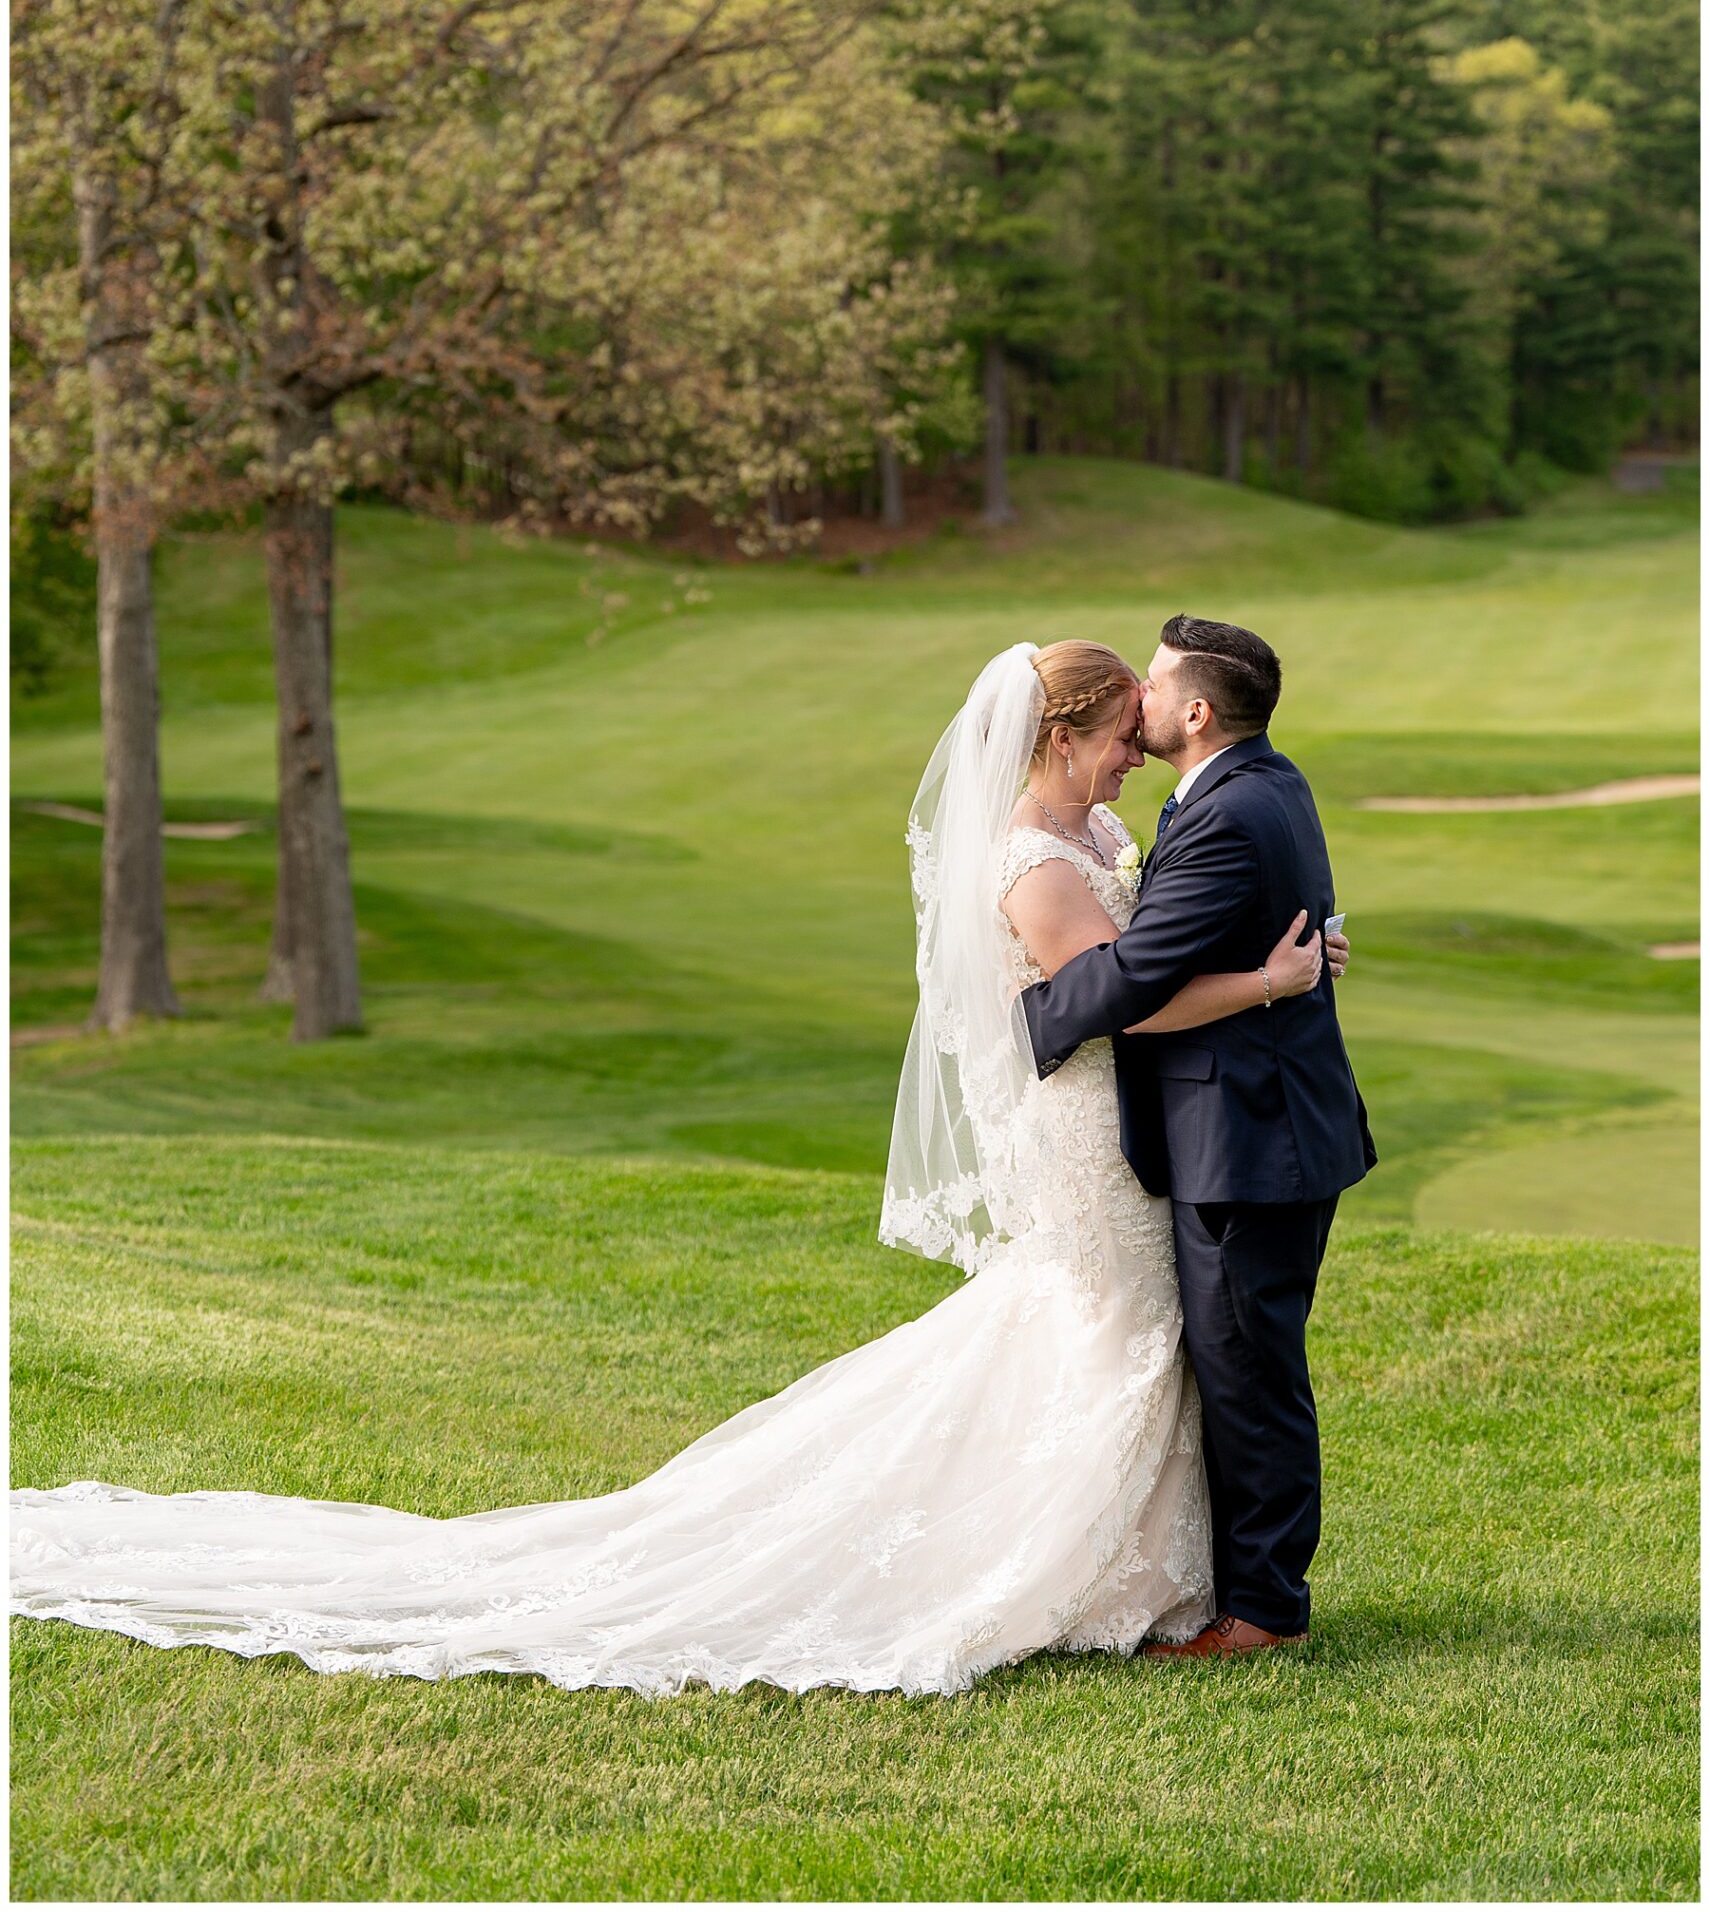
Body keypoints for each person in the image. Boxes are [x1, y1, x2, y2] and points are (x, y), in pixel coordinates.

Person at [10, 639, 1344, 1698]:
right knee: (1101, 1320)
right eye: (1118, 734)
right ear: (1060, 735)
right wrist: (1268, 982)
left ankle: (1168, 1577)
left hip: (1119, 1130)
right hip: (1080, 1132)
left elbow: (1149, 955)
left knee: (1139, 1329)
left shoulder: (1105, 837)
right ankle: (1081, 1572)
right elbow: (1110, 996)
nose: (1132, 754)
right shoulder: (1036, 860)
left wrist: (1255, 971)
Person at [1019, 616, 1376, 1660]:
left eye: (1158, 681)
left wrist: (1031, 1015)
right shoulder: (1267, 780)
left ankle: (1263, 1611)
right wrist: (1285, 964)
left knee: (1249, 1373)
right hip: (1261, 1122)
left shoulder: (1222, 812)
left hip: (1247, 1136)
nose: (1141, 699)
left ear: (1196, 711)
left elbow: (1135, 977)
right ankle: (1245, 1587)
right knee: (1242, 1363)